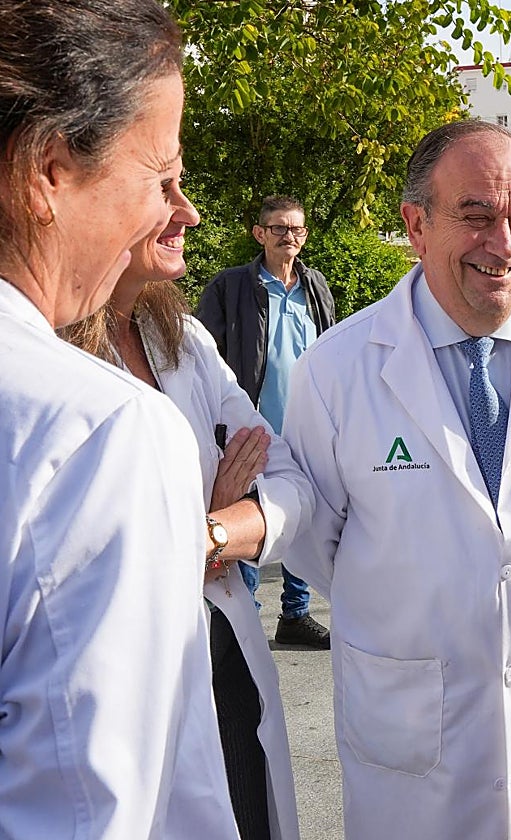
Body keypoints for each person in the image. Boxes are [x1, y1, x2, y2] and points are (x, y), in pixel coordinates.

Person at [282, 120, 511, 839]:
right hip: (411, 748)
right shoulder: (338, 368)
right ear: (416, 225)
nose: (504, 244)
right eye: (475, 216)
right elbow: (316, 548)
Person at [0, 1, 239, 836]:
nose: (180, 210)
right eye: (160, 176)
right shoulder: (100, 431)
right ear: (49, 171)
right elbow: (83, 815)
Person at [62, 180, 311, 840]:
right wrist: (198, 524)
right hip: (112, 678)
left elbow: (289, 480)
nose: (189, 213)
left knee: (247, 811)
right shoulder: (40, 357)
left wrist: (210, 532)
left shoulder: (185, 340)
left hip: (222, 639)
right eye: (160, 187)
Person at [198, 196, 335, 649]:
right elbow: (205, 358)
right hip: (253, 429)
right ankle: (245, 621)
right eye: (278, 228)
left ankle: (295, 615)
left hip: (308, 427)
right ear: (260, 234)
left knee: (302, 520)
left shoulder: (315, 285)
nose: (288, 236)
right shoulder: (232, 286)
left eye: (296, 229)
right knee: (253, 515)